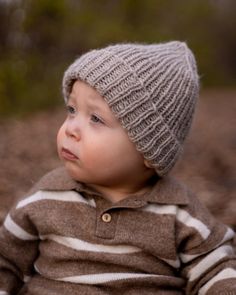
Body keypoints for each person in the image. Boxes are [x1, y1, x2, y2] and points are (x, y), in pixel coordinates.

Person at [0, 41, 235, 295]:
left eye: (96, 118)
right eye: (71, 110)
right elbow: (6, 261)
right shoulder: (46, 196)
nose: (70, 128)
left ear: (148, 148)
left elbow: (216, 271)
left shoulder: (179, 212)